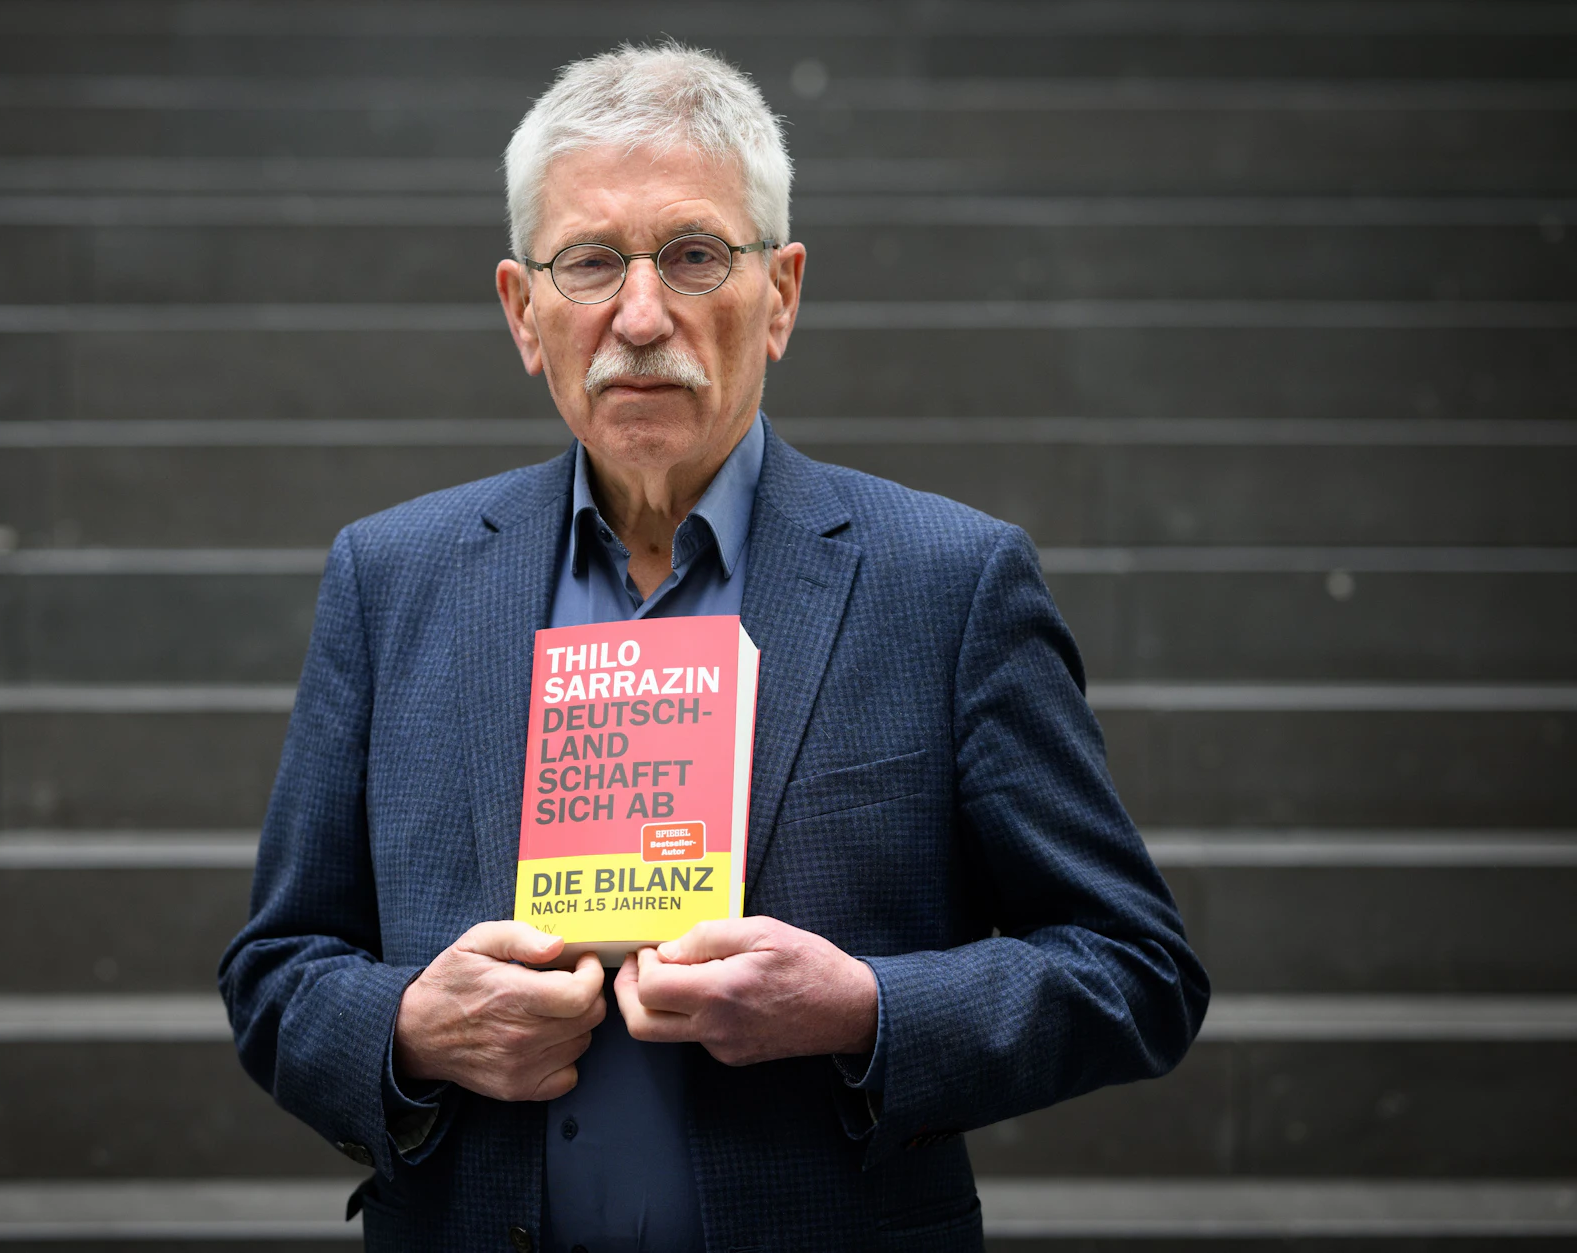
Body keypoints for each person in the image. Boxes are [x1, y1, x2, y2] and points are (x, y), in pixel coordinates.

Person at [219, 43, 1208, 1253]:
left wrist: (866, 1007)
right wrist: (410, 1027)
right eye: (587, 263)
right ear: (522, 313)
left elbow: (1131, 970)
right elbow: (276, 973)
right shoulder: (393, 578)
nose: (640, 316)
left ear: (780, 293)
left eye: (693, 256)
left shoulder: (945, 581)